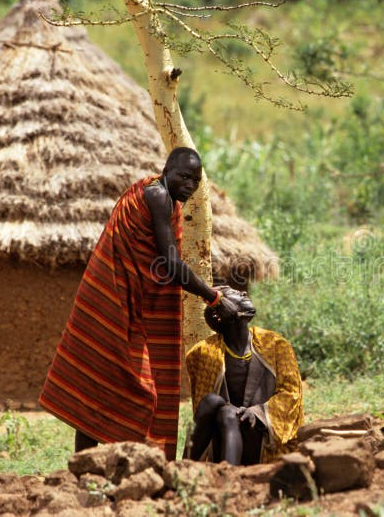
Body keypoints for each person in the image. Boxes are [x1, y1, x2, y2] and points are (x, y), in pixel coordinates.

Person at [39, 147, 238, 459]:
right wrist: (213, 297)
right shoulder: (157, 196)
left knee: (105, 381)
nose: (189, 184)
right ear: (166, 171)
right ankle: (87, 469)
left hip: (133, 301)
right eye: (183, 176)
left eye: (196, 180)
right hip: (115, 298)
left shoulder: (167, 201)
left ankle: (100, 467)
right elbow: (170, 265)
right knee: (117, 383)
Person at [185, 286, 303, 465]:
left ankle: (222, 474)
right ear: (221, 313)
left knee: (228, 412)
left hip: (261, 435)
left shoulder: (275, 345)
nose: (244, 294)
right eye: (236, 295)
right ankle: (194, 467)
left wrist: (256, 413)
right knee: (219, 407)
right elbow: (202, 416)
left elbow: (291, 394)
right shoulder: (204, 353)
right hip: (223, 435)